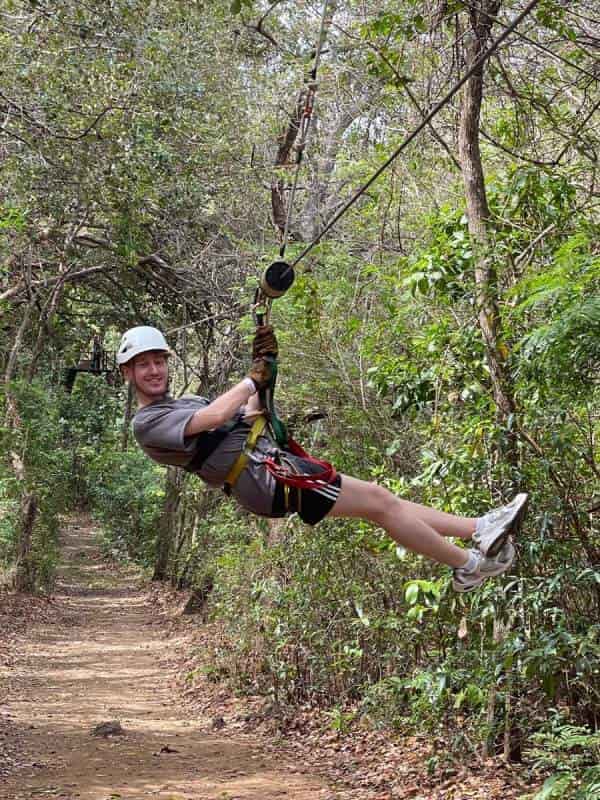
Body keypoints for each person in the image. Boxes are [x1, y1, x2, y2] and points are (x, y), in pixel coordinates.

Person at [118, 325, 528, 593]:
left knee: (383, 501)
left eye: (158, 361)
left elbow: (249, 412)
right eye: (143, 365)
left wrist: (266, 369)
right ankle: (470, 564)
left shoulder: (182, 401)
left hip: (271, 466)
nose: (154, 370)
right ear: (128, 374)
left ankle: (479, 529)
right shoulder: (148, 423)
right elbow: (216, 416)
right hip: (264, 479)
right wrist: (250, 379)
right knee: (381, 504)